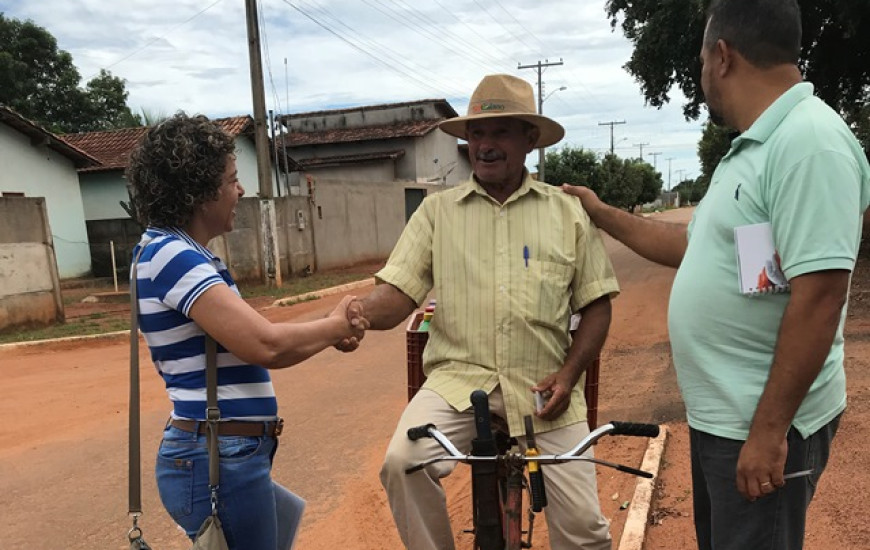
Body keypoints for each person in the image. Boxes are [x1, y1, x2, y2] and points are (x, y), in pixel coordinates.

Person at [563, 1, 870, 548]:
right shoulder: (754, 148)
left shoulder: (810, 144)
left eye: (702, 58)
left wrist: (770, 431)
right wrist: (601, 210)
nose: (703, 71)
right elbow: (690, 244)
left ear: (721, 56)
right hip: (726, 420)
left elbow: (821, 298)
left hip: (763, 424)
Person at [345, 74, 620, 550]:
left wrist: (569, 374)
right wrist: (354, 315)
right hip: (456, 385)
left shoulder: (567, 212)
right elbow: (398, 294)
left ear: (529, 140)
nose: (485, 146)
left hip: (543, 390)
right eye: (477, 134)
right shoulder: (436, 213)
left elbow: (596, 306)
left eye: (500, 133)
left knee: (586, 534)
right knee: (400, 463)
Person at [126, 113, 367, 550]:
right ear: (200, 192)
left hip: (225, 453)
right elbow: (265, 346)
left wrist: (330, 332)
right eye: (232, 180)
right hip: (218, 457)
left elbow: (257, 341)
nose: (240, 191)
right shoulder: (173, 256)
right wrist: (335, 325)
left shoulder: (178, 252)